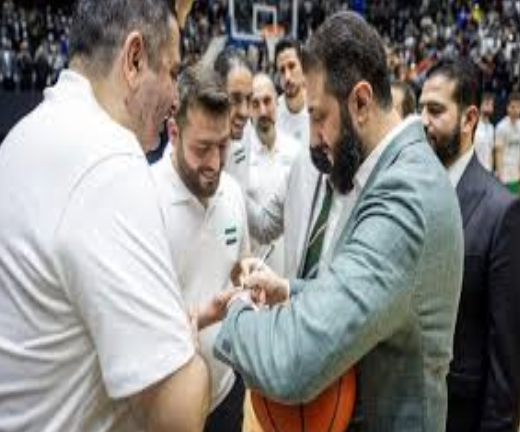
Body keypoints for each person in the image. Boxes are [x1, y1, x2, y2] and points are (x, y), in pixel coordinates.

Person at [214, 11, 464, 432]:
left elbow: (292, 362)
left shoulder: (405, 197)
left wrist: (237, 309)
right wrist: (289, 289)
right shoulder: (402, 173)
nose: (314, 137)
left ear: (361, 102)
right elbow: (379, 299)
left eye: (318, 116)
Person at [0, 1, 210, 431]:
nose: (175, 98)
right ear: (134, 60)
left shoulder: (19, 139)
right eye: (172, 73)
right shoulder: (109, 160)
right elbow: (179, 416)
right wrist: (186, 344)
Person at [420, 57, 520, 432]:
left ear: (469, 118)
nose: (423, 121)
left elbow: (505, 348)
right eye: (420, 110)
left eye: (435, 111)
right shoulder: (409, 193)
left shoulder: (502, 211)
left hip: (460, 412)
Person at [152, 64, 249, 432]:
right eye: (202, 148)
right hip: (166, 412)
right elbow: (131, 329)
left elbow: (237, 267)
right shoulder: (144, 200)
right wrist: (203, 317)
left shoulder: (233, 192)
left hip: (226, 392)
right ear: (173, 132)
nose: (214, 163)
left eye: (222, 146)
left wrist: (249, 276)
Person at [246, 72, 300, 274]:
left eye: (267, 101)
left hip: (289, 274)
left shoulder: (295, 152)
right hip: (253, 274)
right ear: (248, 109)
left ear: (277, 102)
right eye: (255, 104)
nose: (262, 111)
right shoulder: (240, 158)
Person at [214, 47, 254, 188]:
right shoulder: (190, 140)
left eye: (249, 99)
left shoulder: (246, 131)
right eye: (235, 99)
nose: (245, 112)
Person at [274, 37, 310, 150]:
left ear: (303, 66)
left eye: (291, 66)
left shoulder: (317, 107)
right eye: (282, 70)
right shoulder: (273, 113)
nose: (287, 77)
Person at [495, 92, 520, 194]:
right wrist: (500, 177)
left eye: (518, 107)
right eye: (513, 107)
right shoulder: (501, 127)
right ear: (507, 108)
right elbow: (498, 153)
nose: (516, 110)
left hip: (517, 176)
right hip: (504, 177)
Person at [473, 92, 496, 171]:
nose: (489, 107)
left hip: (488, 170)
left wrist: (491, 171)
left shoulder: (491, 128)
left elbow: (491, 152)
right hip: (474, 170)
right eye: (487, 104)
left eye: (491, 105)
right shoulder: (473, 125)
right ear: (480, 105)